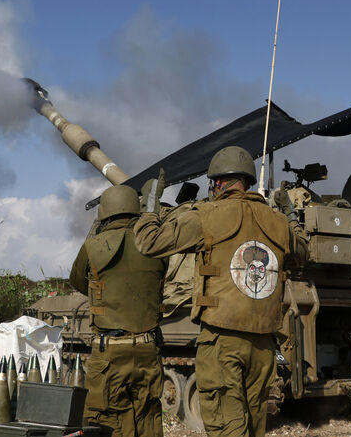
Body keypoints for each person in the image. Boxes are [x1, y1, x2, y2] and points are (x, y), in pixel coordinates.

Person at [132, 146, 307, 437]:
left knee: (227, 428)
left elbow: (149, 242)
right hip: (265, 344)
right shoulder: (277, 222)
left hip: (222, 340)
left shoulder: (208, 215)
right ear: (247, 182)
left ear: (218, 183)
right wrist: (288, 213)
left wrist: (151, 204)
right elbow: (303, 251)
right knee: (253, 428)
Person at [70, 185, 168, 437]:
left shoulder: (92, 246)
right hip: (148, 348)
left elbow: (78, 282)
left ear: (104, 214)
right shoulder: (154, 243)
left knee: (104, 420)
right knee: (148, 417)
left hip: (109, 351)